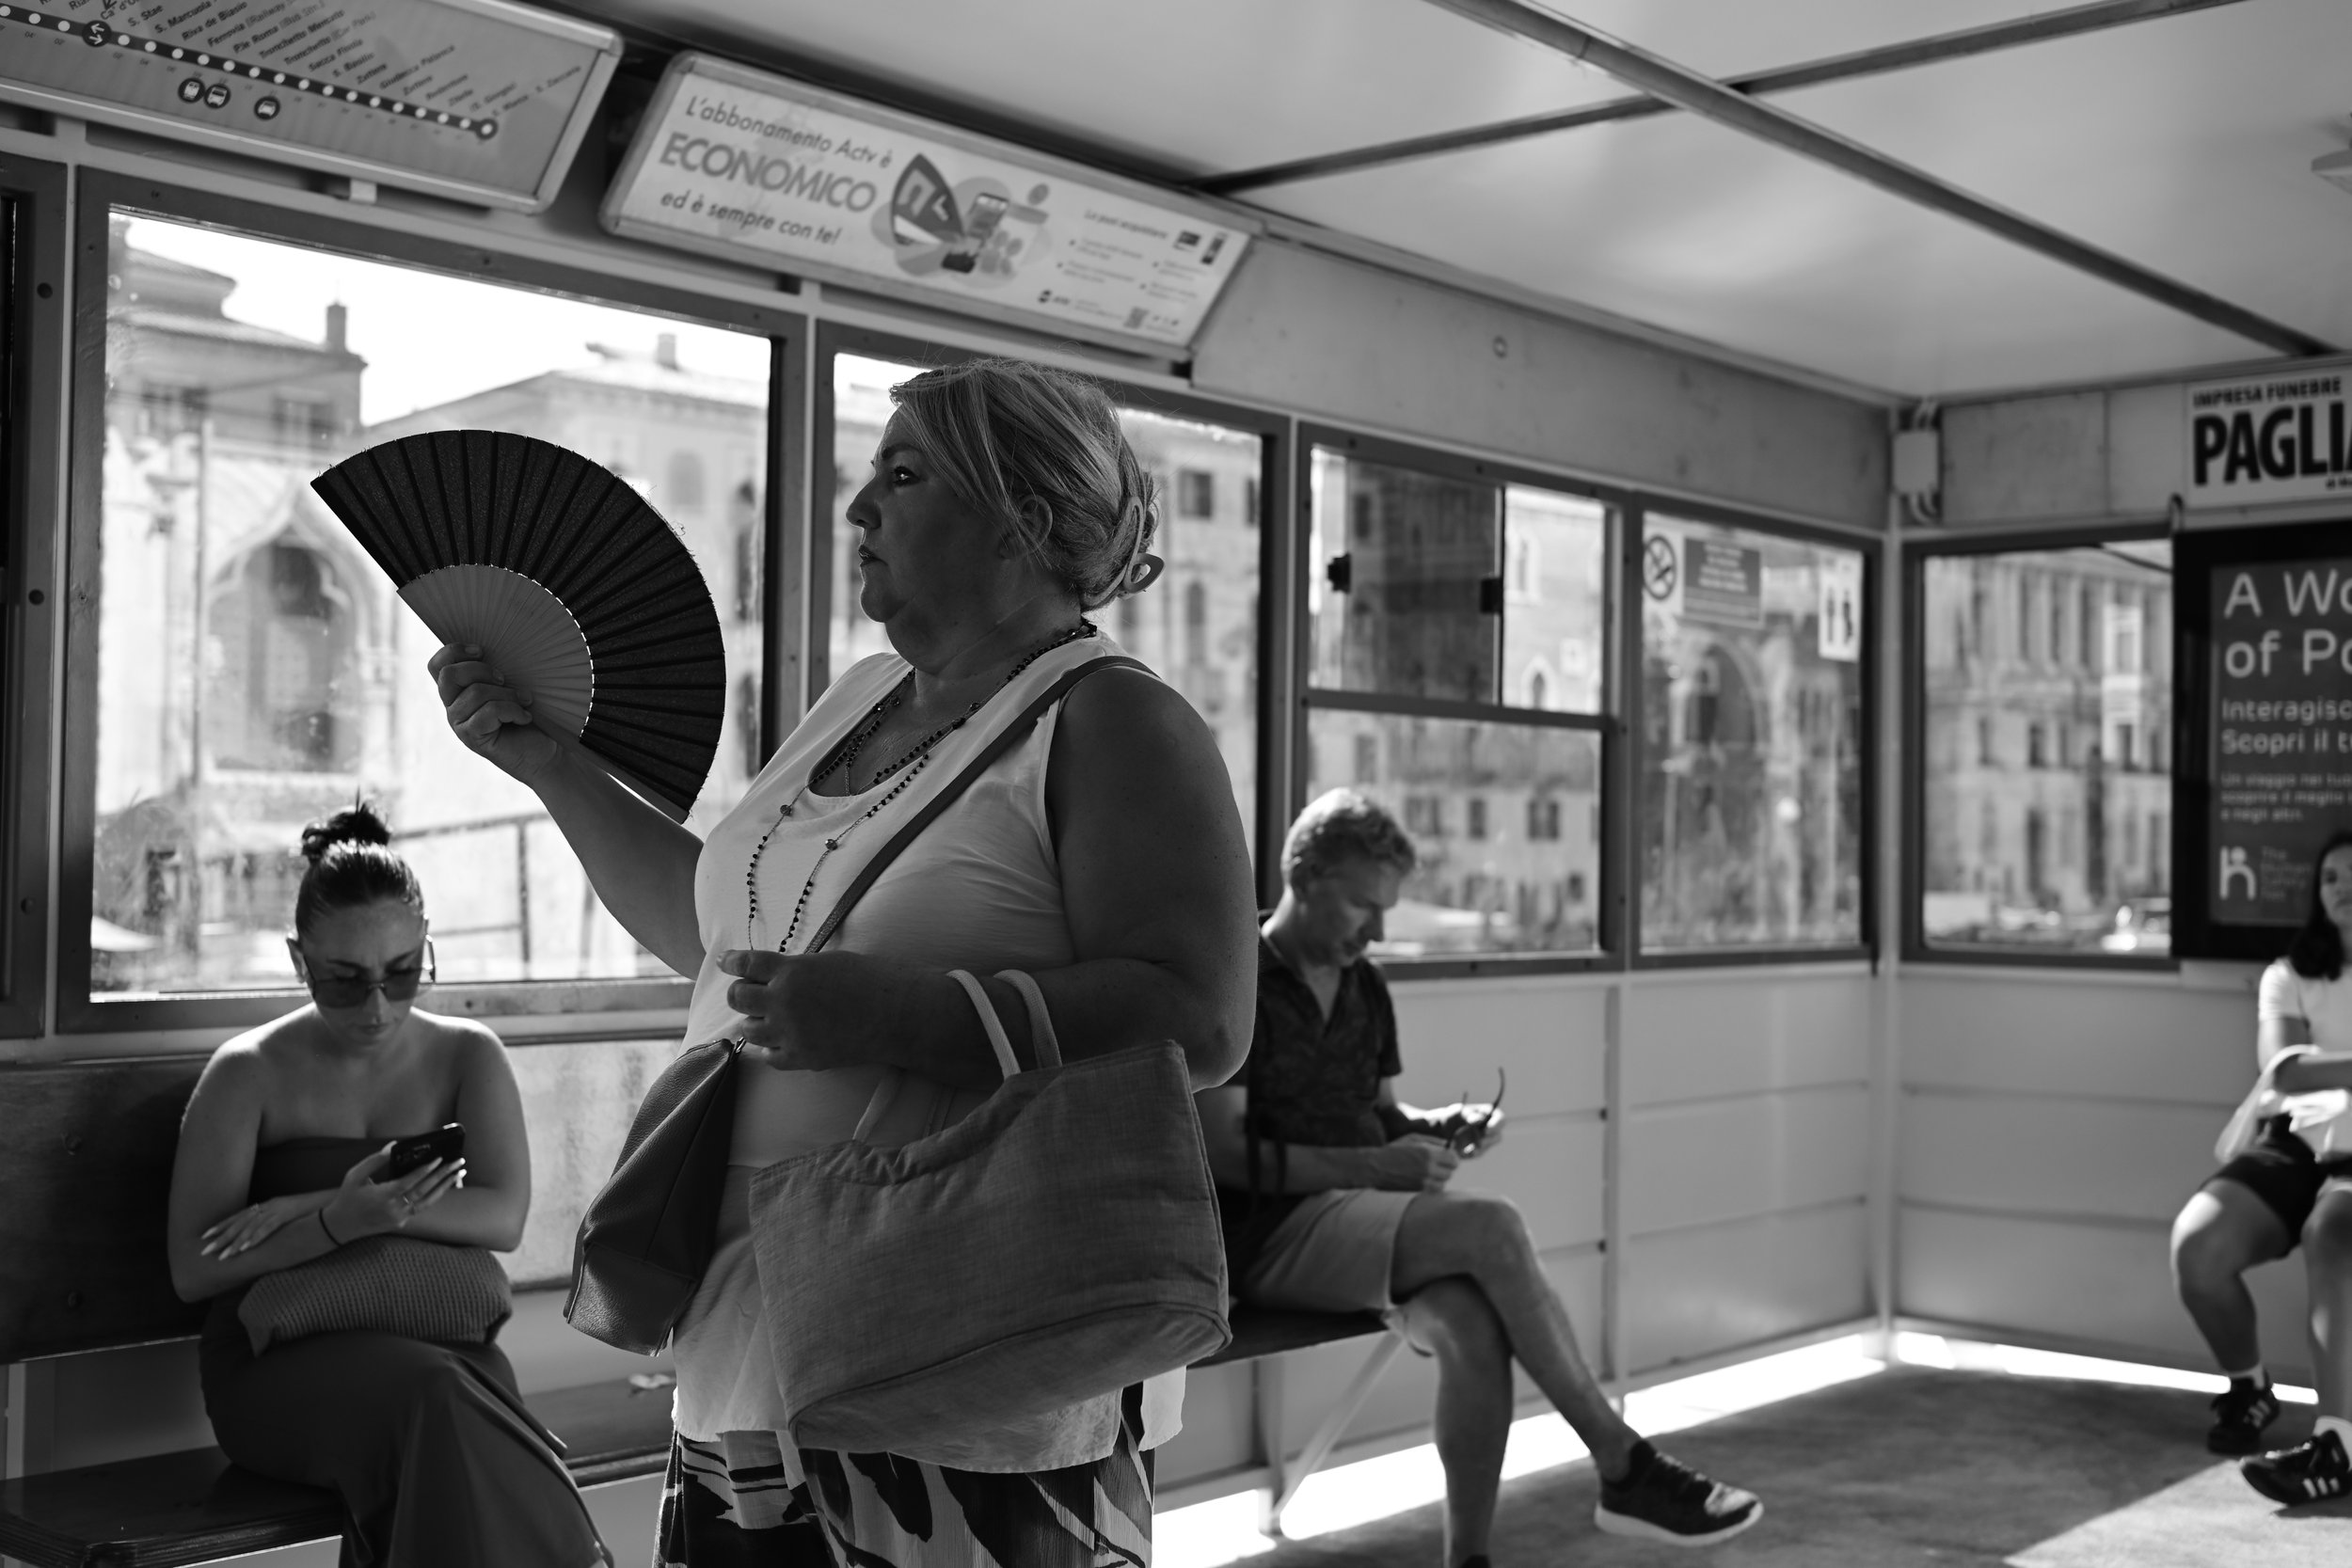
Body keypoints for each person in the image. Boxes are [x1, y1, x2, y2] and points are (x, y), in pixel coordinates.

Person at [429, 356, 1257, 1566]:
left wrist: (902, 1015)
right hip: (754, 1351)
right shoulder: (861, 696)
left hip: (970, 1386)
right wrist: (548, 762)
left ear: (1020, 519)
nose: (859, 508)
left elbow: (1204, 1020)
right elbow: (717, 942)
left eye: (904, 474)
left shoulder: (1117, 720)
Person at [1200, 790, 1762, 1567]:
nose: (1378, 930)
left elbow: (1379, 1113)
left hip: (1362, 1224)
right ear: (1305, 872)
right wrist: (1375, 1164)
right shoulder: (1237, 983)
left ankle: (1468, 1560)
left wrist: (1438, 1123)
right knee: (1489, 1226)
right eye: (1365, 905)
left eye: (1387, 910)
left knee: (1471, 1325)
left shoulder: (1365, 985)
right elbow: (1224, 1153)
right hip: (1268, 1238)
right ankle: (1623, 1463)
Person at [167, 806, 608, 1568]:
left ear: (427, 945)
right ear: (297, 960)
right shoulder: (247, 1073)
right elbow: (193, 1269)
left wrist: (346, 1211)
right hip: (280, 1366)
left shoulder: (469, 1055)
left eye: (403, 972)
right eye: (346, 982)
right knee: (438, 1402)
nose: (378, 1007)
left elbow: (503, 1216)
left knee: (446, 1398)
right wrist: (338, 1223)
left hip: (442, 1349)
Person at [2189, 831, 2352, 1502]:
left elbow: (2307, 1063)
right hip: (2296, 1134)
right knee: (2198, 1247)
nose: (2342, 887)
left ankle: (2337, 1440)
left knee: (2333, 1232)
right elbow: (2283, 1068)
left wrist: (2325, 1063)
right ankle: (2250, 1388)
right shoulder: (2290, 971)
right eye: (2331, 878)